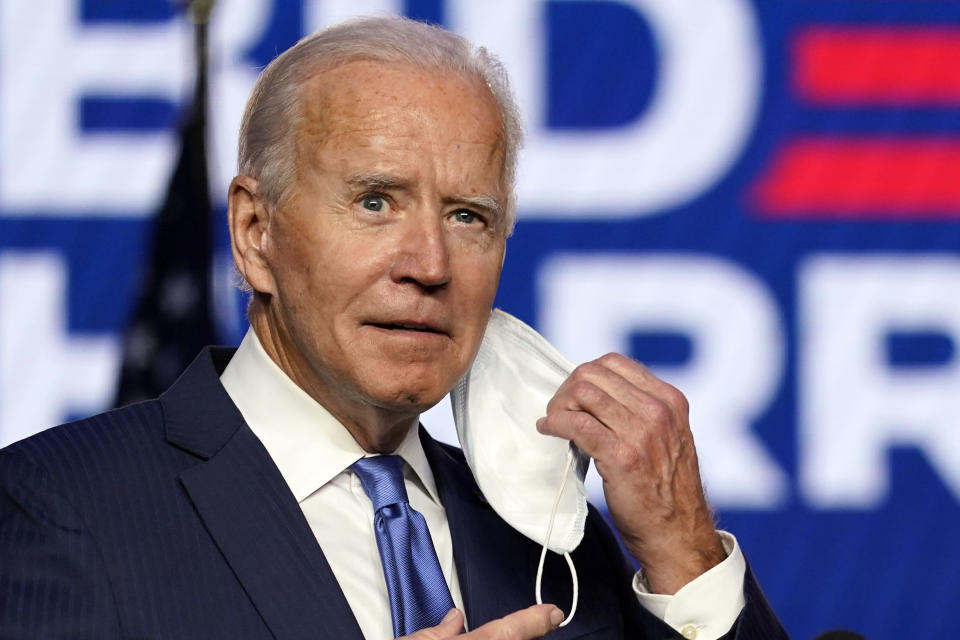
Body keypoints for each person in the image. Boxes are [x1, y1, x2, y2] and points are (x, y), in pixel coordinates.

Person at [0, 16, 787, 640]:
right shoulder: (58, 507)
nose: (430, 264)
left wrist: (683, 555)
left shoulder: (557, 539)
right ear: (254, 233)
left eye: (468, 215)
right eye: (376, 202)